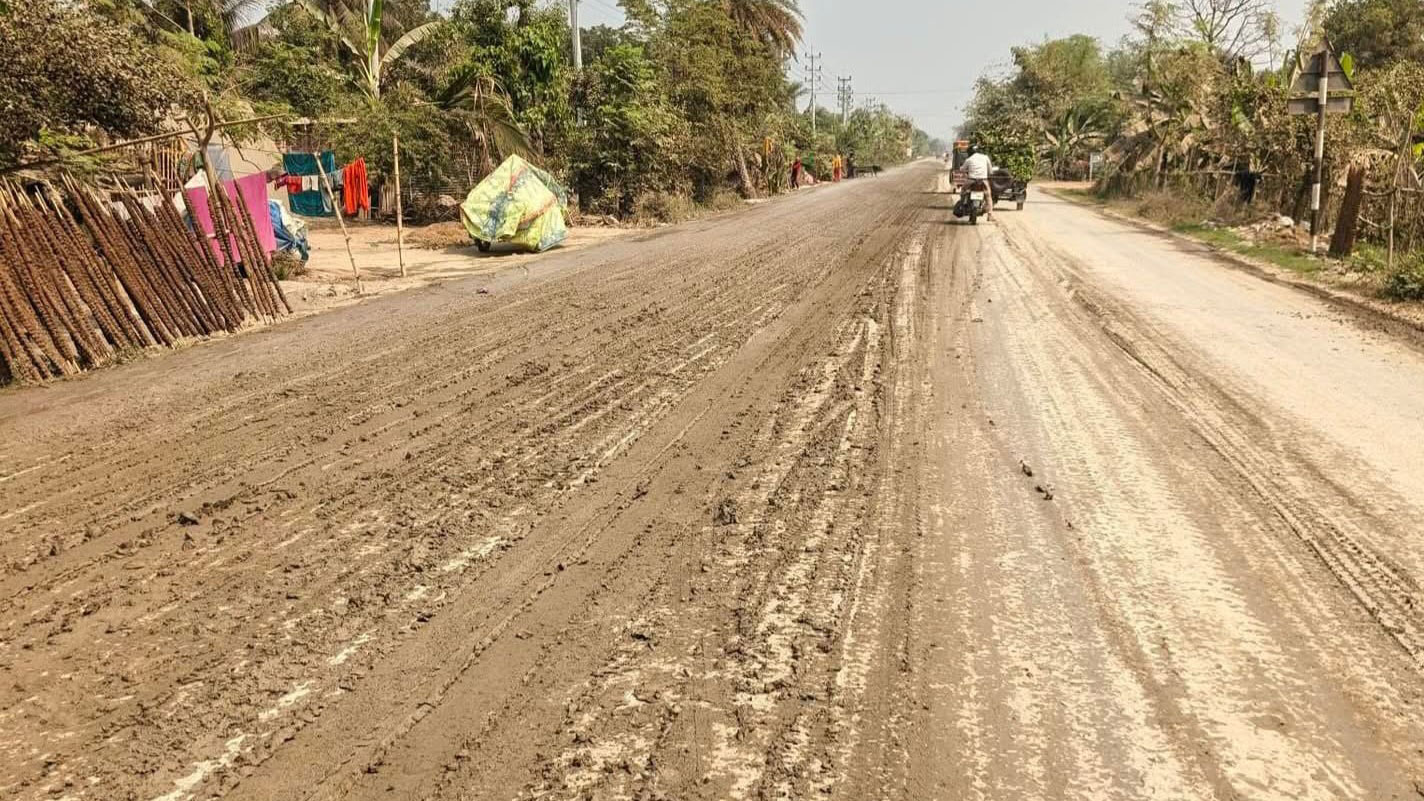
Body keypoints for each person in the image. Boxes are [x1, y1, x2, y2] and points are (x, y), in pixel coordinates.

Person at [962, 145, 994, 220]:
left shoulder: (968, 159)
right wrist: (989, 174)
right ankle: (990, 215)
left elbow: (963, 170)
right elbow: (990, 170)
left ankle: (963, 205)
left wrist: (965, 173)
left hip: (971, 180)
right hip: (983, 180)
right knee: (988, 196)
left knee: (963, 191)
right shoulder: (985, 157)